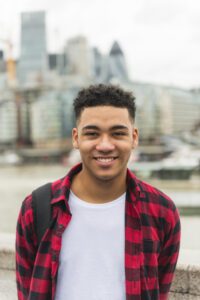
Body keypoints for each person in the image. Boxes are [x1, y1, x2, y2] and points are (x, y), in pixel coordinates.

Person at [16, 84, 181, 300]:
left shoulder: (162, 212)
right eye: (92, 133)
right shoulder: (36, 208)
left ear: (134, 137)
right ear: (76, 138)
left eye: (118, 133)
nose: (105, 145)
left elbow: (159, 293)